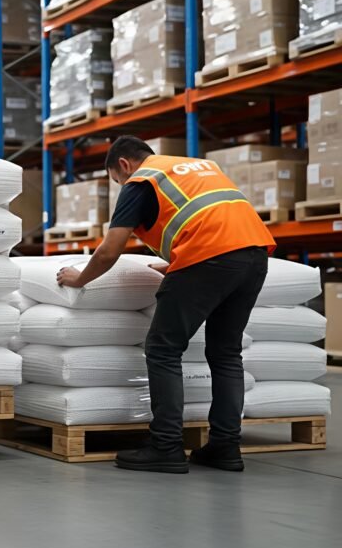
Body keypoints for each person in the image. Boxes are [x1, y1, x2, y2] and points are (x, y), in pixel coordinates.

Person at [56, 136, 275, 474]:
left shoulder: (142, 181)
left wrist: (78, 279)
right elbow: (209, 219)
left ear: (125, 165)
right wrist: (178, 261)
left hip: (208, 259)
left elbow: (110, 250)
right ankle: (225, 447)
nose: (121, 186)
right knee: (226, 353)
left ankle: (166, 446)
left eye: (117, 180)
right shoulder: (197, 168)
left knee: (163, 348)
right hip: (254, 256)